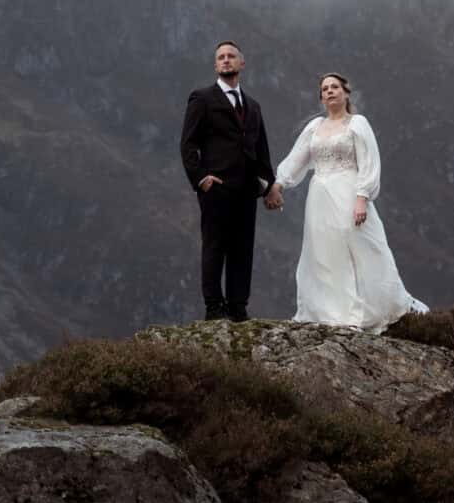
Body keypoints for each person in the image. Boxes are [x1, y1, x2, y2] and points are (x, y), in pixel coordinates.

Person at [267, 73, 426, 332]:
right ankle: (332, 311)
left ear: (346, 93)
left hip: (349, 191)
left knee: (362, 246)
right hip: (319, 195)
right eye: (325, 89)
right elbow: (297, 158)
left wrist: (362, 197)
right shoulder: (314, 127)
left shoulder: (358, 124)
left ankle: (370, 308)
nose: (330, 91)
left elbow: (369, 162)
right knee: (323, 250)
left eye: (335, 87)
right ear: (321, 97)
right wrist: (278, 184)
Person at [178, 40, 278, 322]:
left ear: (241, 63)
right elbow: (188, 144)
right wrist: (200, 179)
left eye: (231, 56)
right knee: (214, 246)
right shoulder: (202, 98)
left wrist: (267, 185)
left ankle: (238, 306)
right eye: (220, 57)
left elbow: (262, 150)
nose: (225, 60)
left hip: (246, 190)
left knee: (242, 249)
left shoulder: (254, 106)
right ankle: (214, 306)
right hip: (216, 187)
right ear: (215, 65)